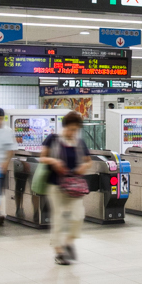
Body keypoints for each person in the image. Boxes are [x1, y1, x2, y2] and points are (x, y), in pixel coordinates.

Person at [39, 111, 91, 265]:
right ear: (65, 127)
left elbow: (88, 161)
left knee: (78, 216)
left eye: (75, 130)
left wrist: (84, 166)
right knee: (59, 217)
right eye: (70, 129)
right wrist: (54, 162)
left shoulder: (79, 143)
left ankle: (68, 242)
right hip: (55, 186)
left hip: (74, 186)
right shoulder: (53, 139)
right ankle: (59, 251)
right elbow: (42, 157)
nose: (72, 133)